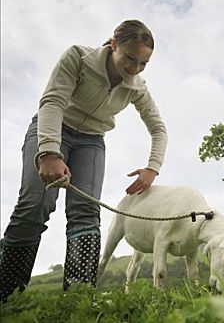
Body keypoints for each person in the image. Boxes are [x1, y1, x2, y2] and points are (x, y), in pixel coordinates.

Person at [0, 20, 168, 302]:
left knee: (86, 212)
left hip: (91, 141)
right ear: (114, 44)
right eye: (130, 58)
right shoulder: (78, 57)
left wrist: (153, 167)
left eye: (143, 63)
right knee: (35, 206)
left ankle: (79, 298)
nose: (135, 68)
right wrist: (50, 152)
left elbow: (158, 128)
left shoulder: (137, 87)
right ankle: (6, 292)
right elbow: (52, 102)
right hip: (52, 128)